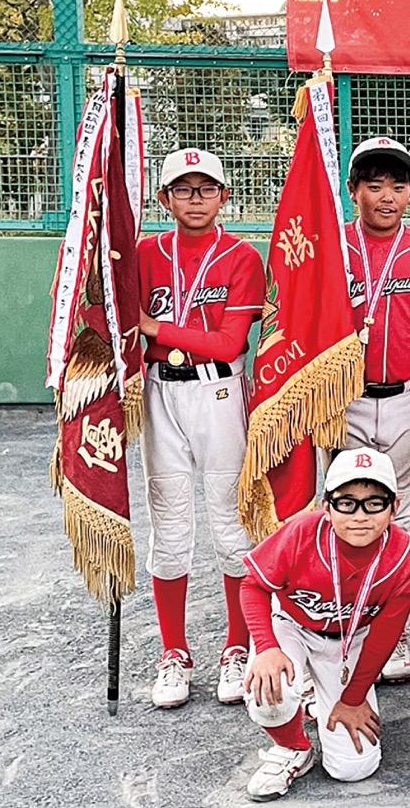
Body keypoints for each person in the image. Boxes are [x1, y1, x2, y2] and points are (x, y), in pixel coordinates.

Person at [137, 147, 265, 709]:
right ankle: (174, 653)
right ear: (164, 198)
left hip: (219, 391)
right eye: (183, 189)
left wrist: (156, 327)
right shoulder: (143, 253)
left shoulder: (242, 256)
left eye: (207, 188)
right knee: (168, 525)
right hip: (158, 391)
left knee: (230, 523)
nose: (196, 198)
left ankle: (237, 647)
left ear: (224, 195)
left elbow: (228, 342)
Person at [238, 447, 410, 801]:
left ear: (394, 507)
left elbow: (385, 634)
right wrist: (266, 648)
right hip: (293, 626)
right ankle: (293, 747)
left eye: (374, 503)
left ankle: (320, 694)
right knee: (270, 691)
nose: (360, 515)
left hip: (352, 639)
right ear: (326, 507)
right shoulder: (302, 531)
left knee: (354, 768)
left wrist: (353, 698)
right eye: (346, 503)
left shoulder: (408, 555)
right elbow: (253, 585)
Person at [341, 136, 410, 684]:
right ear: (353, 189)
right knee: (349, 515)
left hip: (408, 394)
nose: (387, 196)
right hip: (344, 400)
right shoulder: (332, 245)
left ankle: (392, 632)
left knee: (400, 516)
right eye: (374, 185)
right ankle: (349, 623)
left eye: (398, 186)